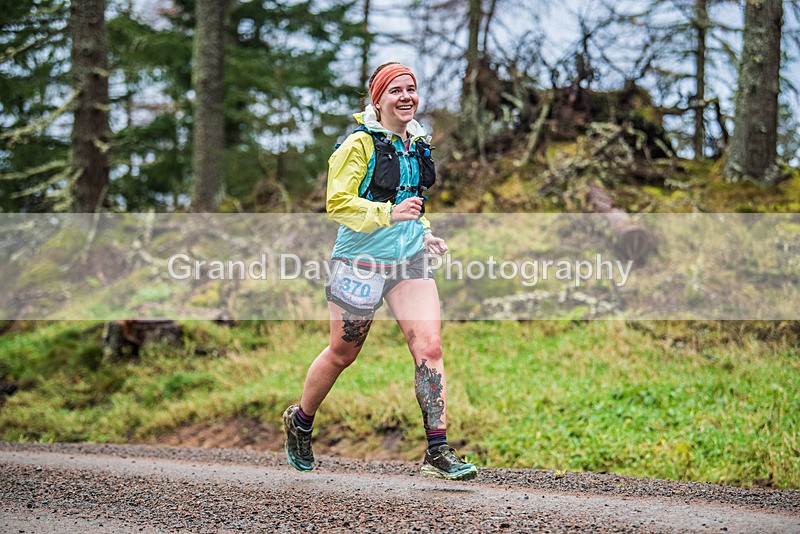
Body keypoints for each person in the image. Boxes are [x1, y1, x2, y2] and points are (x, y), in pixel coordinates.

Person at [283, 62, 477, 481]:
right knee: (343, 353)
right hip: (360, 262)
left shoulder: (417, 142)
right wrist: (388, 214)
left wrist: (424, 232)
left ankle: (438, 450)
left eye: (411, 89)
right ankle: (301, 421)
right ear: (378, 99)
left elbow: (412, 198)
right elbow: (337, 203)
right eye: (395, 91)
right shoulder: (357, 145)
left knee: (430, 346)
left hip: (409, 259)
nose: (406, 96)